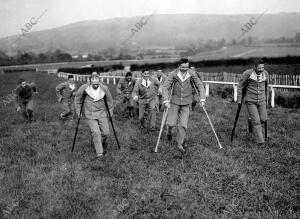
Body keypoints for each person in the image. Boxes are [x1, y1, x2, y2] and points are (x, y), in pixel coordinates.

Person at [162, 58, 205, 153]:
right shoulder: (173, 74)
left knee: (183, 125)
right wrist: (166, 100)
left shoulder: (192, 74)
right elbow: (165, 87)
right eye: (183, 67)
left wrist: (202, 99)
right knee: (171, 123)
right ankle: (169, 132)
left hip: (186, 103)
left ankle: (179, 144)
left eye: (187, 67)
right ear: (179, 66)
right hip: (173, 102)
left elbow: (200, 85)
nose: (185, 69)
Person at [74, 75, 113, 159]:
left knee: (106, 133)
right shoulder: (84, 88)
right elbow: (77, 100)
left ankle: (101, 141)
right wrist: (78, 111)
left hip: (102, 113)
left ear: (99, 82)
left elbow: (109, 100)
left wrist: (110, 111)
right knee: (96, 132)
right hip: (90, 114)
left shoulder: (104, 88)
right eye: (93, 84)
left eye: (97, 84)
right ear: (90, 82)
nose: (95, 86)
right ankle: (100, 153)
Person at [237, 59, 269, 146]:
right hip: (250, 101)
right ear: (254, 67)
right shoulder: (247, 73)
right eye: (259, 68)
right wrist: (239, 99)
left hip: (262, 100)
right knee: (257, 121)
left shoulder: (265, 73)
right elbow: (240, 86)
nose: (261, 69)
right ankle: (260, 142)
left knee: (263, 118)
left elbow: (267, 87)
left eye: (262, 67)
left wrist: (267, 99)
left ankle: (250, 122)